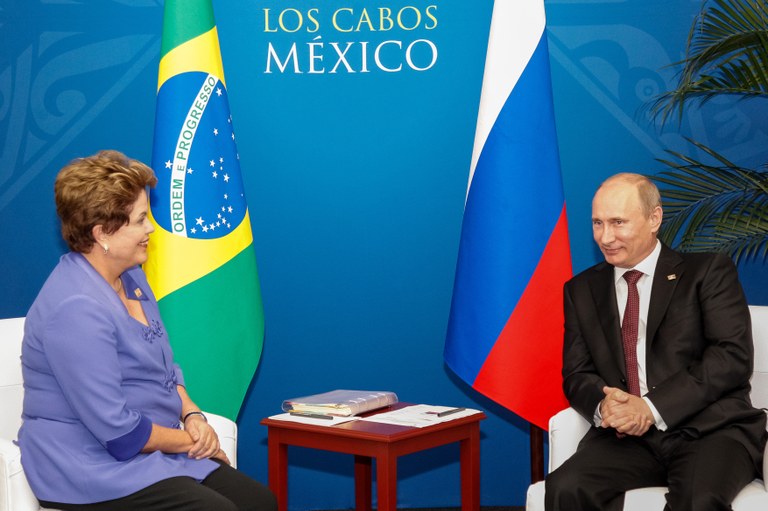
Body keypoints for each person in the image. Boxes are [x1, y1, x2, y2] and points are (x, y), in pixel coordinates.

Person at [18, 150, 277, 511]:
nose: (151, 229)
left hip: (150, 451)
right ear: (102, 233)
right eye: (140, 220)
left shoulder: (132, 277)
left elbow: (166, 371)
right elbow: (119, 433)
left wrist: (193, 415)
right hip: (88, 466)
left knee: (259, 502)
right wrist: (191, 441)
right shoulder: (74, 309)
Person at [545, 173, 767, 511]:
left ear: (654, 218)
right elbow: (577, 374)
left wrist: (650, 408)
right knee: (565, 487)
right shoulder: (581, 290)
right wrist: (606, 407)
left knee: (697, 501)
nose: (606, 237)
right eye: (598, 223)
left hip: (710, 429)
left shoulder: (707, 272)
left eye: (618, 223)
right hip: (626, 439)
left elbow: (731, 357)